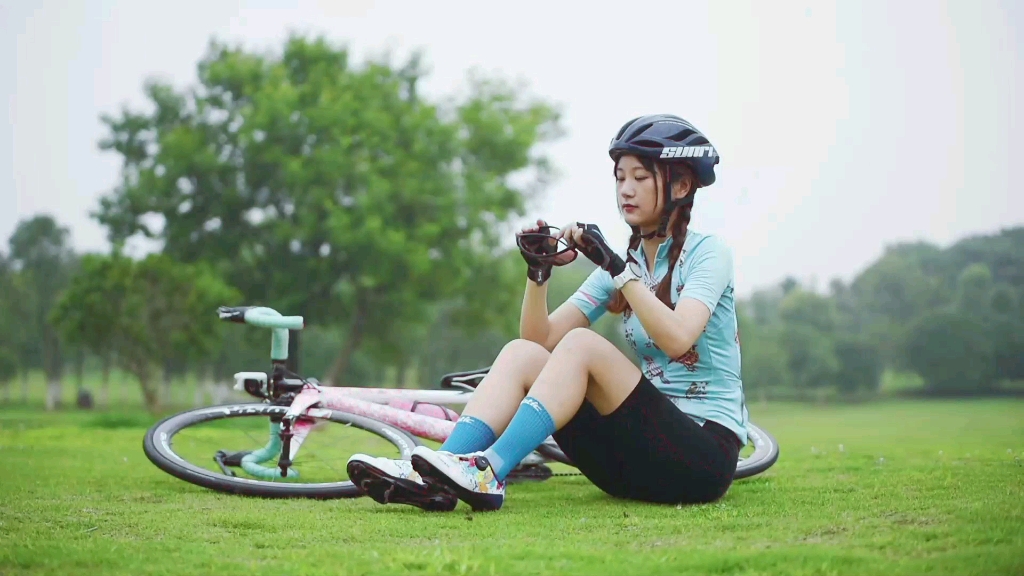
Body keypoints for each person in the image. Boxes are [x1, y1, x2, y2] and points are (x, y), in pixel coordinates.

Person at [346, 114, 748, 512]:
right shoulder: (626, 267)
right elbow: (538, 342)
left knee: (583, 345)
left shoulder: (707, 254)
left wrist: (615, 268)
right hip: (638, 460)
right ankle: (432, 474)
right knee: (521, 354)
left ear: (680, 185)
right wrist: (538, 271)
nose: (626, 189)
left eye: (640, 178)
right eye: (620, 177)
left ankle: (489, 471)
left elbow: (679, 339)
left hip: (701, 459)